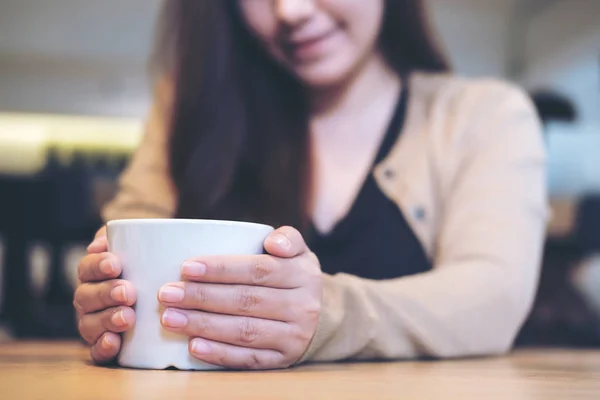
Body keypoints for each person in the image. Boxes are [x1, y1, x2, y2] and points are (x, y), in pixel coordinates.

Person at [74, 0, 548, 370]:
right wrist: (106, 293)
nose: (290, 12)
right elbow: (123, 243)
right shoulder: (191, 107)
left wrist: (325, 317)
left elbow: (493, 297)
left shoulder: (481, 116)